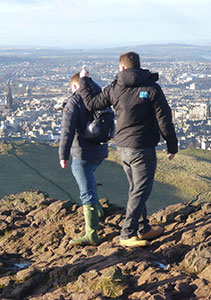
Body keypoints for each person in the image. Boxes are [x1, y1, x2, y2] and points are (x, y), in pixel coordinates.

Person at [79, 52, 178, 248]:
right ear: (139, 66)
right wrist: (172, 145)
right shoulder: (151, 88)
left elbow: (91, 103)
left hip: (122, 147)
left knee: (135, 189)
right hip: (142, 148)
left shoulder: (114, 88)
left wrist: (84, 81)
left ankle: (143, 227)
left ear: (122, 67)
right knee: (141, 190)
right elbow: (164, 119)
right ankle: (127, 233)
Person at [59, 72, 108, 246]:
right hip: (101, 151)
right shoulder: (100, 97)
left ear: (74, 86)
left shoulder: (74, 102)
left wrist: (63, 156)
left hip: (82, 152)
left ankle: (92, 233)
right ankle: (99, 210)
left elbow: (67, 132)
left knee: (86, 191)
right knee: (89, 177)